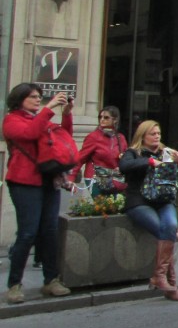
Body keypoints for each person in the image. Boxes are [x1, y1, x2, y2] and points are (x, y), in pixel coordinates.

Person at [3, 84, 74, 304]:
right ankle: (14, 284)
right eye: (33, 97)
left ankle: (51, 280)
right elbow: (30, 133)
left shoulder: (41, 119)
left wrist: (67, 114)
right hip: (24, 181)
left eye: (39, 97)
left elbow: (63, 137)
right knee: (28, 233)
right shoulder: (12, 120)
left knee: (50, 231)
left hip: (47, 180)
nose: (37, 100)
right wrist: (49, 108)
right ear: (19, 99)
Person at [119, 120, 178, 301]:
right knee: (164, 231)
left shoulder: (166, 152)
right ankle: (170, 283)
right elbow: (124, 167)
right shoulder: (133, 153)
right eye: (152, 134)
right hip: (139, 201)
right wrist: (149, 162)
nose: (157, 136)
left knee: (171, 226)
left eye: (158, 133)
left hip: (164, 200)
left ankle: (160, 278)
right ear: (142, 136)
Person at [77, 105, 127, 196]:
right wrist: (71, 177)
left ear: (115, 120)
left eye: (106, 117)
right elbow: (80, 158)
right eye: (100, 117)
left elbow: (126, 159)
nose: (102, 120)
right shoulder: (93, 137)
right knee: (102, 204)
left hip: (115, 178)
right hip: (96, 177)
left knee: (117, 203)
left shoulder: (120, 138)